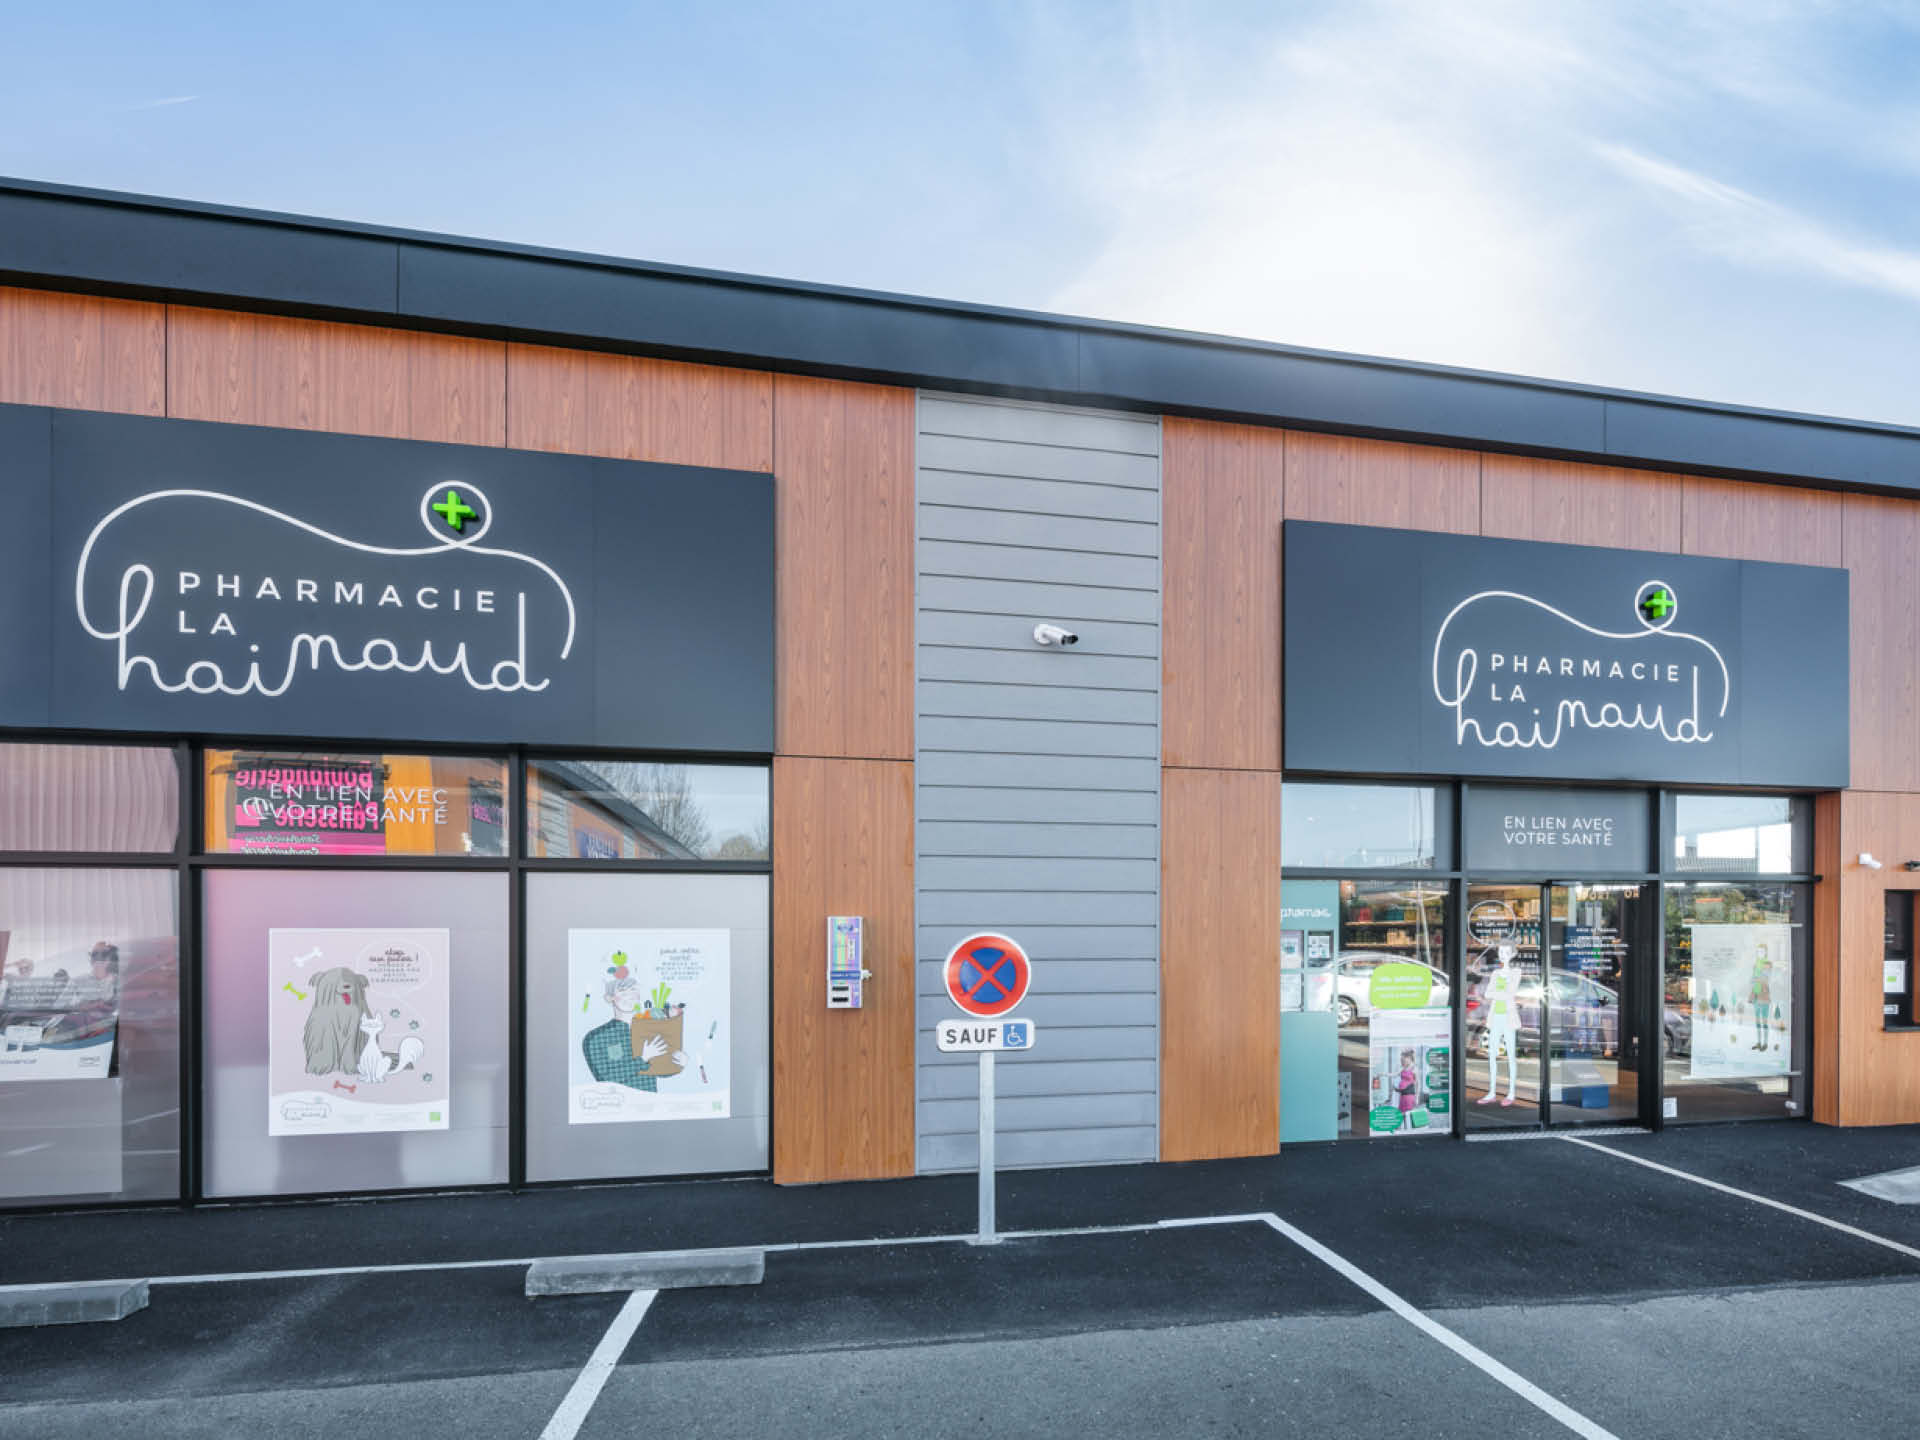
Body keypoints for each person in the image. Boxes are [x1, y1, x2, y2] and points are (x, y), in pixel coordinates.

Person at [1476, 944, 1521, 1107]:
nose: (1503, 954)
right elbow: (1488, 993)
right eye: (1501, 951)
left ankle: (1511, 1092)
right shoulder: (1496, 973)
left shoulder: (1516, 972)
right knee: (1492, 1055)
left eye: (1506, 952)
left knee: (1510, 1056)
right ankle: (1492, 1092)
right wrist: (1501, 993)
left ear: (1512, 954)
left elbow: (1511, 993)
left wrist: (1498, 993)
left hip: (1508, 1018)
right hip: (1495, 1017)